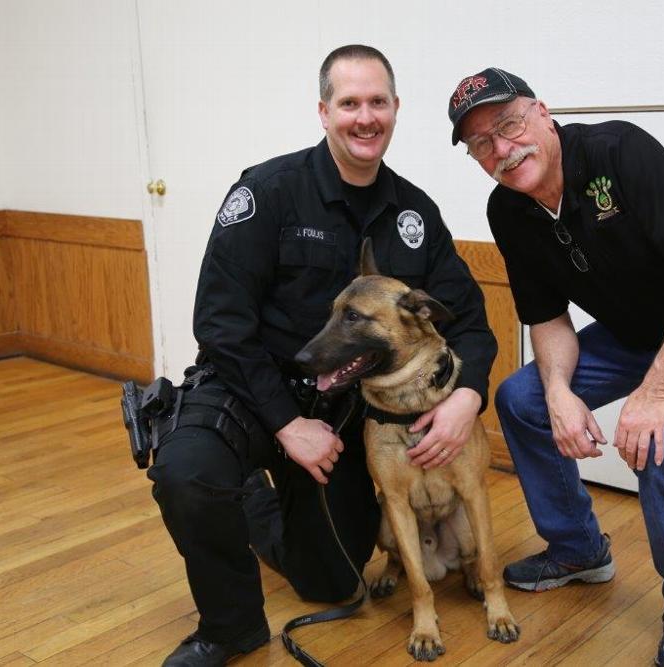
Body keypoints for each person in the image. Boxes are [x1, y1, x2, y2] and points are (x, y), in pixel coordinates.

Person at [147, 45, 496, 667]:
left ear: (395, 110)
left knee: (335, 583)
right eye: (349, 103)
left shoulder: (414, 212)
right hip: (251, 389)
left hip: (349, 408)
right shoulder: (268, 192)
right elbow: (220, 324)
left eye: (378, 103)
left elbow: (468, 318)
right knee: (188, 473)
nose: (365, 118)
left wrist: (467, 397)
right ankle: (230, 626)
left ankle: (265, 506)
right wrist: (286, 424)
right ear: (324, 111)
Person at [446, 67, 664, 667]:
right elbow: (548, 318)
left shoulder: (619, 151)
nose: (502, 148)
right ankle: (579, 549)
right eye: (482, 143)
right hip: (641, 332)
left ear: (544, 113)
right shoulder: (508, 210)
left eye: (509, 124)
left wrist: (656, 393)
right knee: (522, 400)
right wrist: (557, 391)